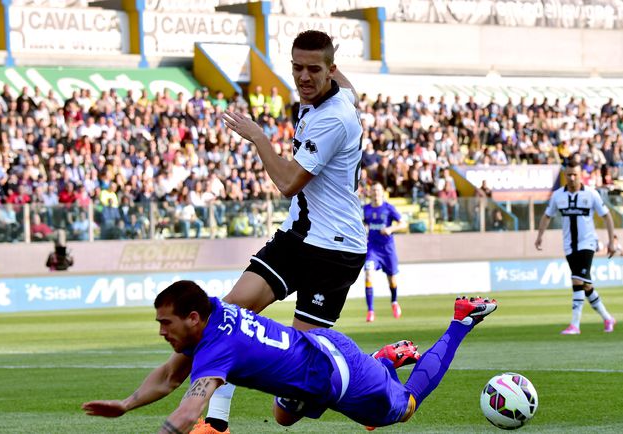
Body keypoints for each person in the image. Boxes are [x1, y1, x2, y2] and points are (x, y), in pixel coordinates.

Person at [205, 30, 365, 433]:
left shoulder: (333, 118)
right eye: (297, 67)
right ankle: (215, 422)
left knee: (287, 410)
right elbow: (350, 90)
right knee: (227, 316)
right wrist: (327, 57)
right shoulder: (337, 95)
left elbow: (289, 182)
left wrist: (258, 136)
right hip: (298, 235)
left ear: (330, 69)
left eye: (314, 69)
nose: (304, 77)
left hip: (334, 249)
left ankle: (370, 374)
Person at [82, 280, 498, 433]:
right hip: (311, 358)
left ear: (192, 318)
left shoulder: (215, 348)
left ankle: (460, 321)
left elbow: (190, 411)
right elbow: (170, 376)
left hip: (338, 373)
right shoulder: (214, 311)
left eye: (165, 323)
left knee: (403, 408)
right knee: (282, 419)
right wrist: (126, 404)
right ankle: (383, 361)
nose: (161, 332)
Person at [535, 158, 617, 335]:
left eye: (575, 175)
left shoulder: (591, 194)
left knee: (577, 280)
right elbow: (547, 215)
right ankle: (607, 318)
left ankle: (575, 325)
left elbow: (607, 216)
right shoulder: (558, 195)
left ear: (581, 175)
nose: (572, 178)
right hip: (569, 245)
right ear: (565, 176)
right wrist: (540, 236)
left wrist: (611, 241)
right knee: (585, 285)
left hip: (588, 243)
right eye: (569, 175)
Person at [363, 183, 408, 322]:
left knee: (392, 279)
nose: (376, 192)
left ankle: (394, 302)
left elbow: (403, 224)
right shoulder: (365, 209)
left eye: (378, 190)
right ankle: (370, 311)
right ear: (370, 193)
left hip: (388, 249)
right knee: (368, 275)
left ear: (382, 192)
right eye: (373, 190)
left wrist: (390, 229)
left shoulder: (389, 208)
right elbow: (362, 223)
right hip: (372, 249)